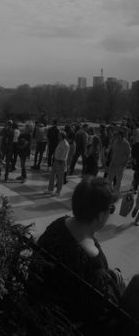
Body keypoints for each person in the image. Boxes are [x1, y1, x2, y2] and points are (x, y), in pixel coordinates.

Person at [28, 177, 139, 335]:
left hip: (39, 304)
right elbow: (100, 311)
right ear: (100, 215)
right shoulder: (91, 260)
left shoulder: (59, 224)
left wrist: (106, 276)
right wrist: (116, 286)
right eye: (111, 209)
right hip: (65, 323)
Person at [107, 127, 132, 197]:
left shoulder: (126, 144)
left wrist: (125, 164)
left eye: (118, 135)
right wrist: (110, 160)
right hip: (113, 164)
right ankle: (109, 191)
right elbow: (112, 151)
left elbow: (128, 155)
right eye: (117, 135)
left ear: (122, 136)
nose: (117, 136)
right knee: (109, 179)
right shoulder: (115, 141)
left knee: (118, 181)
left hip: (121, 165)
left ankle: (115, 193)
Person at [47, 131, 69, 195]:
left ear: (62, 136)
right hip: (56, 161)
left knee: (60, 177)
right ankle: (50, 189)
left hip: (60, 162)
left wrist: (61, 161)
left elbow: (65, 155)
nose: (57, 136)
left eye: (59, 135)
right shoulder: (60, 142)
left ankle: (58, 191)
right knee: (52, 175)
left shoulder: (65, 144)